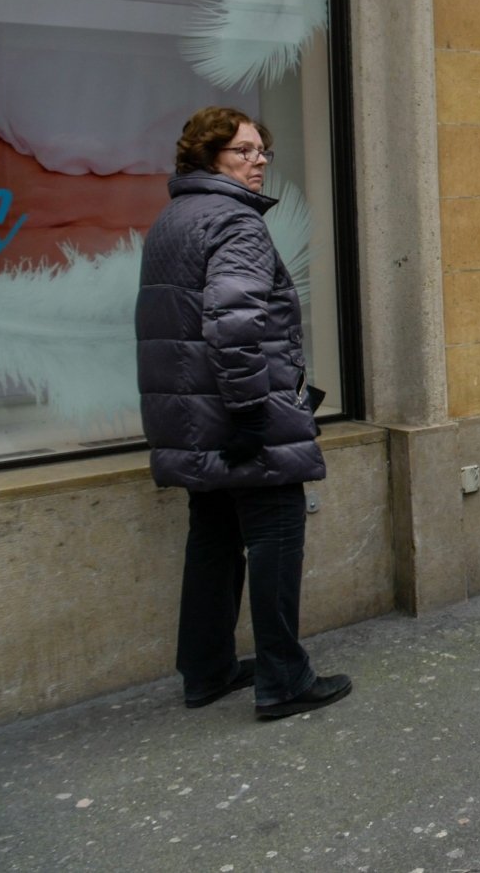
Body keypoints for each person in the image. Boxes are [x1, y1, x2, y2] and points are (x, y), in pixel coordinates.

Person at [135, 107, 351, 718]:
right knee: (277, 528)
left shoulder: (172, 219)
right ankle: (284, 679)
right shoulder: (235, 223)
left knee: (213, 533)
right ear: (208, 157)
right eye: (243, 151)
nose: (258, 162)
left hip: (194, 416)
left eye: (262, 151)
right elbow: (235, 327)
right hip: (238, 412)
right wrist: (254, 411)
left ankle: (206, 670)